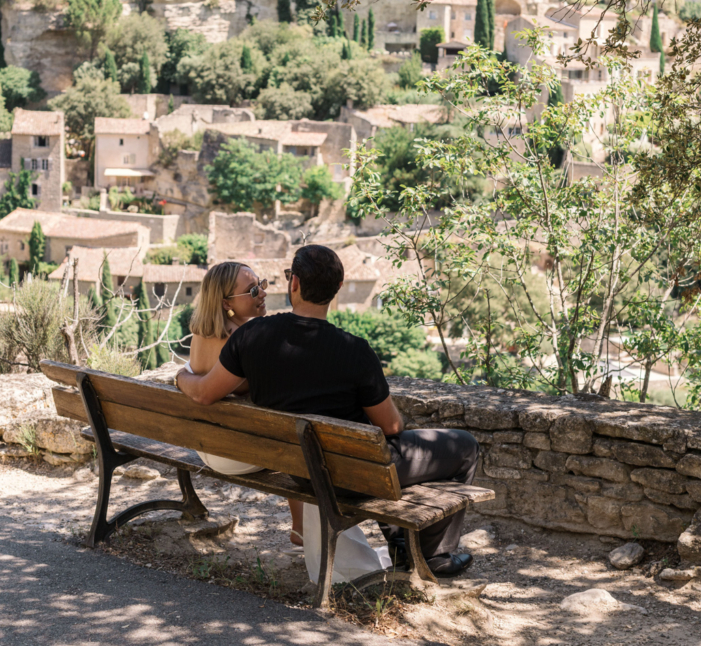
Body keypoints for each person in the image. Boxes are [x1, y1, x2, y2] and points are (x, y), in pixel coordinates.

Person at [176, 244, 477, 577]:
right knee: (463, 447)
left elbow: (204, 392)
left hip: (297, 466)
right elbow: (391, 427)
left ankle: (404, 548)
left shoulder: (251, 335)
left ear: (294, 285)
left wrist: (180, 375)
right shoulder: (355, 351)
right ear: (336, 290)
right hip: (350, 472)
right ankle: (433, 556)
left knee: (374, 455)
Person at [186, 261, 306, 549]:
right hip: (234, 453)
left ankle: (302, 527)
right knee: (301, 433)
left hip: (205, 446)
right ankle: (302, 527)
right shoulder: (242, 339)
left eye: (261, 284)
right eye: (253, 290)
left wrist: (180, 377)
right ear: (227, 302)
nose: (262, 293)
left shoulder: (200, 334)